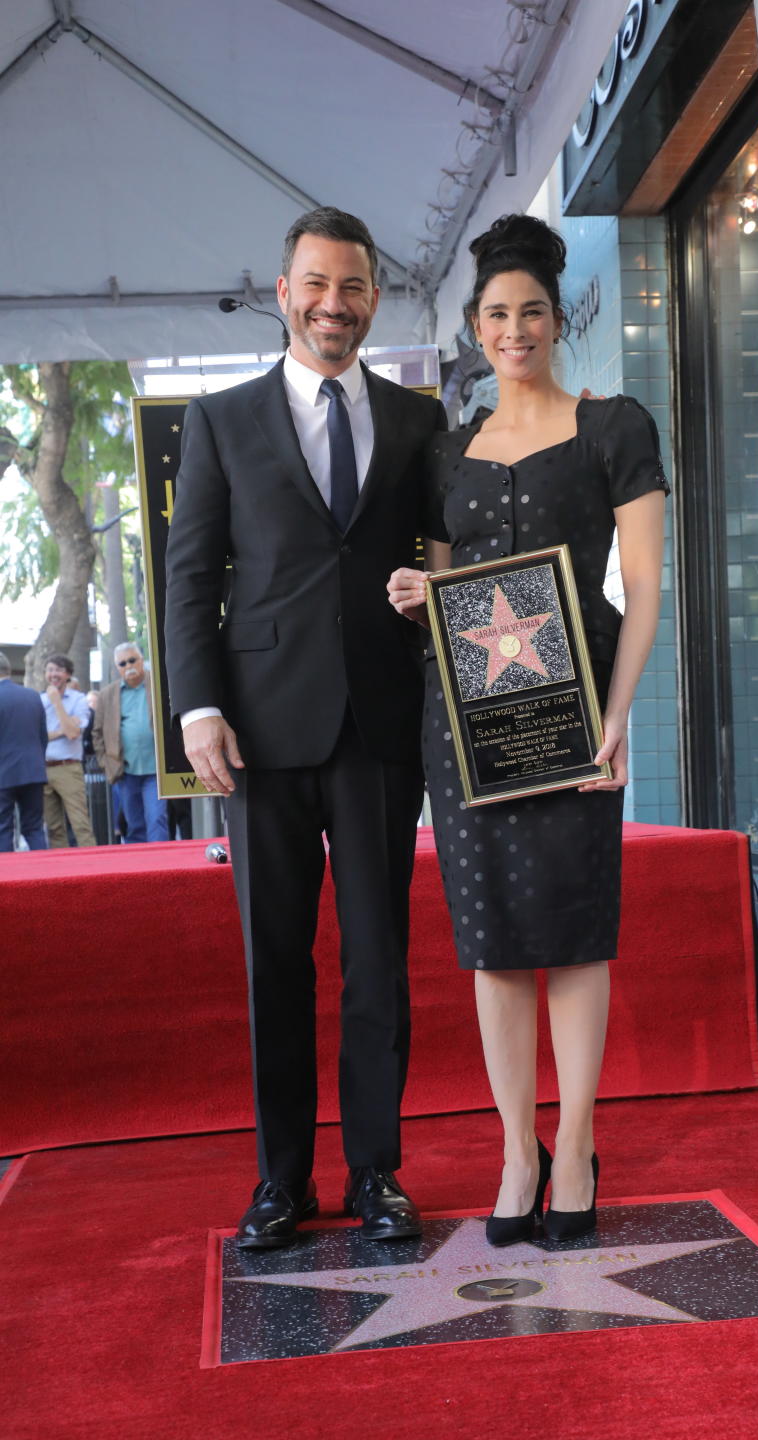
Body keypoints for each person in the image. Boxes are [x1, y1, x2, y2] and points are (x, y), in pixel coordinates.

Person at [165, 205, 447, 1249]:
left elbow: (458, 549)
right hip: (259, 732)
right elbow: (191, 575)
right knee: (272, 961)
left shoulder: (419, 422)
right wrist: (197, 706)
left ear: (376, 297)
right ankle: (280, 1183)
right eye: (317, 285)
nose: (336, 304)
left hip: (381, 727)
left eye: (356, 287)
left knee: (377, 961)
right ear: (284, 292)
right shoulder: (221, 420)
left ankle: (376, 1173)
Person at [387, 214, 668, 1245]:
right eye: (497, 314)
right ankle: (519, 1151)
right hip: (467, 720)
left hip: (578, 709)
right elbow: (447, 578)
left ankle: (580, 1143)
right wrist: (423, 588)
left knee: (579, 934)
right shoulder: (445, 451)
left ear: (557, 319)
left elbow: (642, 589)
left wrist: (618, 713)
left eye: (532, 311)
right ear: (476, 325)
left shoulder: (614, 428)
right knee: (494, 943)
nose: (515, 329)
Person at [92, 643, 168, 843]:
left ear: (142, 660)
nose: (129, 666)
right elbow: (97, 733)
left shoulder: (158, 683)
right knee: (134, 824)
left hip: (157, 771)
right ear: (117, 667)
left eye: (132, 660)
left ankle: (161, 868)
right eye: (123, 663)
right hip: (125, 771)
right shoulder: (108, 694)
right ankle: (141, 870)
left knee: (157, 819)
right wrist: (106, 763)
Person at [41, 654, 95, 847]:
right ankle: (61, 874)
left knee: (80, 824)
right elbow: (39, 736)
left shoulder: (79, 700)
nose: (53, 674)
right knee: (54, 828)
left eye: (58, 670)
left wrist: (57, 703)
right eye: (49, 670)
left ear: (68, 674)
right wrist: (62, 729)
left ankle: (95, 871)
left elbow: (72, 734)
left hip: (68, 768)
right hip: (44, 769)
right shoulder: (39, 700)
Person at [0, 650, 48, 852]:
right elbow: (42, 736)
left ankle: (6, 879)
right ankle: (45, 878)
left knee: (3, 829)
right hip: (33, 771)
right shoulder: (32, 696)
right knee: (34, 828)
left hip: (3, 773)